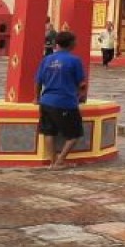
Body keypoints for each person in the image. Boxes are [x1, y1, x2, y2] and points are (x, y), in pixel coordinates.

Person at [35, 31, 89, 170]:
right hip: (65, 102)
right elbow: (81, 83)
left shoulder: (46, 59)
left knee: (48, 132)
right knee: (74, 134)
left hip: (46, 101)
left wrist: (37, 98)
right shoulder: (75, 60)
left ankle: (52, 162)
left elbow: (38, 81)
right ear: (71, 44)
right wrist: (82, 95)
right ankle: (59, 161)